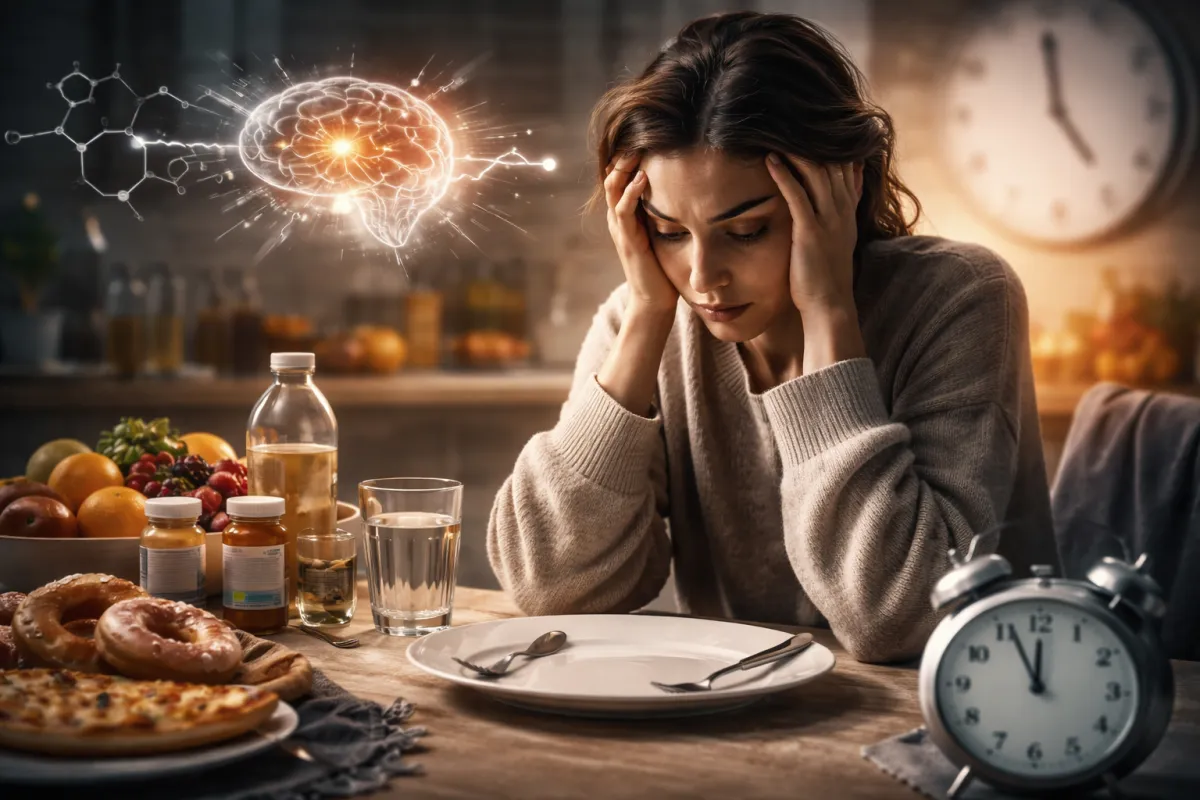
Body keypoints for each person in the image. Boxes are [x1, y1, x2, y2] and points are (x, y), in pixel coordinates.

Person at [487, 11, 1058, 662]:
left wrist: (828, 311)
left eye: (748, 229)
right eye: (670, 231)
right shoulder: (642, 320)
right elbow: (550, 586)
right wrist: (647, 312)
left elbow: (901, 619)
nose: (703, 278)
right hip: (731, 720)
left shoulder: (959, 297)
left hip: (971, 712)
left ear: (841, 189)